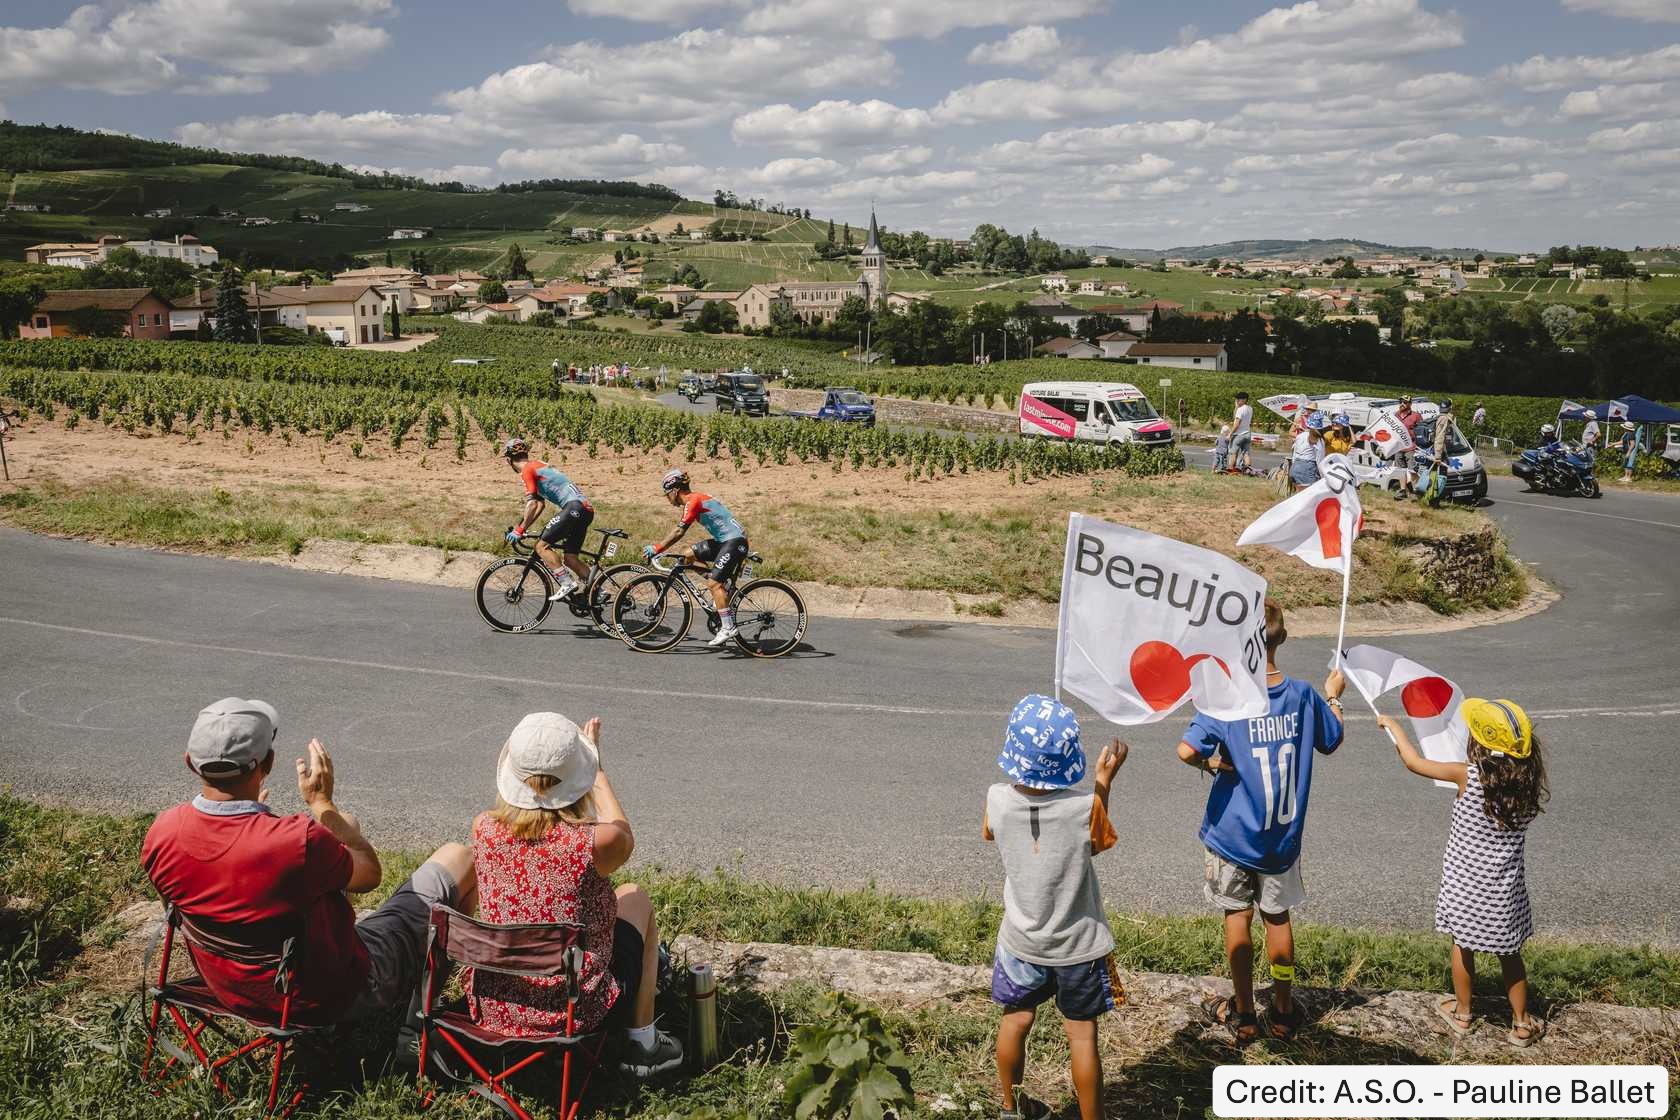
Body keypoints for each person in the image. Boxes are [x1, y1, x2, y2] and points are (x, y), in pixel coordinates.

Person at [142, 698, 477, 1029]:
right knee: (460, 857)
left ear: (189, 762)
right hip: (327, 996)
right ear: (268, 763)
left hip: (229, 988)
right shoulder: (296, 843)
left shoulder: (162, 833)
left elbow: (183, 910)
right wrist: (321, 802)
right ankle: (419, 1021)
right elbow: (369, 874)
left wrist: (260, 820)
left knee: (343, 824)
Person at [468, 712, 683, 1077]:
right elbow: (622, 831)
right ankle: (642, 1044)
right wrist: (597, 771)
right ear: (576, 777)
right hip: (576, 1010)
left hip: (497, 1006)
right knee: (635, 897)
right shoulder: (594, 843)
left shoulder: (483, 828)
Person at [1176, 602, 1345, 1044]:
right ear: (1282, 639)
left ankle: (1245, 1009)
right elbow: (1332, 737)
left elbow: (1186, 750)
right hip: (1281, 839)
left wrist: (1213, 761)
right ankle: (1285, 1007)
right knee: (1278, 919)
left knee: (1237, 915)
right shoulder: (1304, 694)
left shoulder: (1226, 697)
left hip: (1232, 837)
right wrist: (1334, 695)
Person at [1378, 698, 1549, 1048]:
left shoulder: (1466, 776)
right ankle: (1520, 1024)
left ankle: (1463, 1014)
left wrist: (1394, 728)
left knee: (1462, 947)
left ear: (1479, 744)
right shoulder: (1527, 789)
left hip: (1464, 888)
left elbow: (1414, 762)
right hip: (1504, 893)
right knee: (1510, 955)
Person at [986, 695, 1125, 1120]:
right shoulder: (1084, 809)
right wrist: (1103, 782)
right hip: (1077, 946)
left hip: (1021, 940)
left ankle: (1010, 1109)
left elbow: (994, 833)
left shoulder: (995, 798)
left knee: (1016, 1021)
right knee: (1082, 1036)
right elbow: (1095, 845)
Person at [645, 469, 749, 648]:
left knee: (713, 585)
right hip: (726, 541)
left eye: (666, 494)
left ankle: (727, 627)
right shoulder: (697, 497)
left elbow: (679, 531)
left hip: (733, 542)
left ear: (674, 491)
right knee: (687, 556)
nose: (667, 498)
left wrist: (657, 548)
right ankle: (719, 586)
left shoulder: (692, 501)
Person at [502, 438, 593, 602]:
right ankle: (597, 591)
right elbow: (539, 505)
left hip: (573, 507)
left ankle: (566, 583)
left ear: (509, 460)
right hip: (585, 509)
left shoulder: (527, 470)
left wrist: (520, 530)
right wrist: (522, 526)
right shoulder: (537, 465)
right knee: (570, 558)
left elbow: (531, 504)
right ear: (525, 453)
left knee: (541, 546)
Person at [1288, 411, 1328, 490]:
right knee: (1310, 497)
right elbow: (1320, 460)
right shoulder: (1319, 440)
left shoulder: (1300, 436)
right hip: (1308, 468)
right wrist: (1323, 476)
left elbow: (1295, 453)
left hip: (1295, 467)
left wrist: (1294, 466)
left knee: (1300, 496)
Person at [1393, 394, 1421, 501]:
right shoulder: (1395, 415)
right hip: (1399, 447)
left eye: (1404, 402)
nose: (1402, 404)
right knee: (1401, 470)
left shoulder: (1416, 416)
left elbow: (1421, 431)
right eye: (1400, 402)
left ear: (1410, 404)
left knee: (1413, 470)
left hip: (1411, 447)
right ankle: (1403, 490)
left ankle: (1416, 491)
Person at [1231, 392, 1254, 472]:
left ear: (1244, 400)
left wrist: (1230, 434)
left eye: (1238, 399)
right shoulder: (1250, 408)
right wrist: (1236, 407)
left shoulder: (1240, 409)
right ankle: (1248, 470)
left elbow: (1236, 423)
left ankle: (1232, 470)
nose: (1237, 400)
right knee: (1246, 453)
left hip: (1238, 434)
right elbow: (1235, 417)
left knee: (1234, 453)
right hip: (1247, 433)